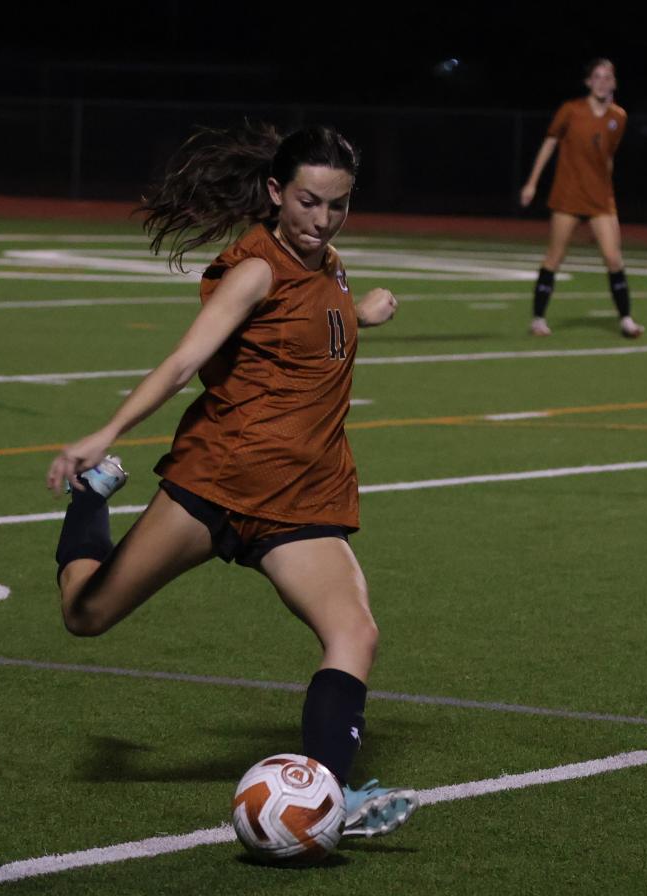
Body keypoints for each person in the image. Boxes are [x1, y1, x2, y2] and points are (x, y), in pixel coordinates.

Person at [45, 122, 417, 841]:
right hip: (219, 479)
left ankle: (329, 798)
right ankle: (90, 502)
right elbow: (184, 364)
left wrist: (359, 313)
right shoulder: (254, 268)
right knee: (84, 615)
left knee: (354, 632)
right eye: (307, 202)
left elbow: (304, 333)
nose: (320, 220)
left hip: (302, 493)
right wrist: (107, 432)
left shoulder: (328, 261)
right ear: (276, 192)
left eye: (336, 206)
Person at [518, 57, 643, 340]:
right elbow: (549, 143)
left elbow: (607, 158)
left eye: (607, 77)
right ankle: (538, 319)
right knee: (554, 257)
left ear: (614, 82)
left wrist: (609, 197)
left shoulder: (618, 117)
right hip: (568, 195)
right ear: (588, 82)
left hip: (600, 198)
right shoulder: (570, 110)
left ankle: (626, 319)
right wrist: (532, 183)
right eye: (596, 76)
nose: (602, 81)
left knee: (613, 258)